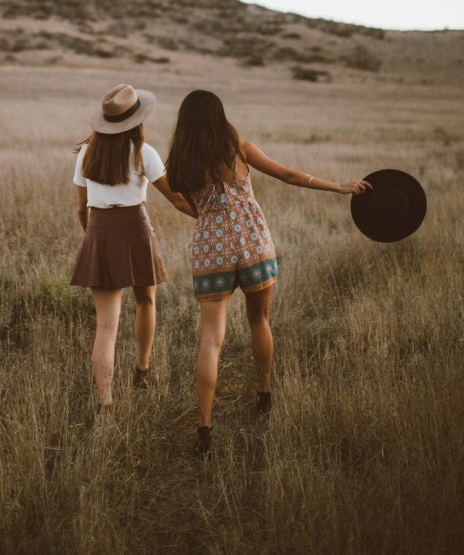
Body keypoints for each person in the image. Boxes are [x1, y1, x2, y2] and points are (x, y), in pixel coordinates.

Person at [165, 89, 372, 455]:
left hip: (210, 248)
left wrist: (210, 219)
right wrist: (339, 186)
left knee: (211, 339)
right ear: (219, 115)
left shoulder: (179, 161)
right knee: (259, 320)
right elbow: (289, 175)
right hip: (253, 244)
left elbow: (184, 201)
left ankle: (204, 428)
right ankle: (264, 393)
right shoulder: (239, 147)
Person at [70, 83, 193, 409]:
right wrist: (208, 215)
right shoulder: (144, 152)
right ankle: (142, 369)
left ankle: (105, 404)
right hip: (136, 231)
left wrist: (92, 236)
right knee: (146, 302)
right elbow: (177, 200)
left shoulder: (87, 152)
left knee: (106, 326)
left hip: (100, 231)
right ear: (136, 120)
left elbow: (82, 208)